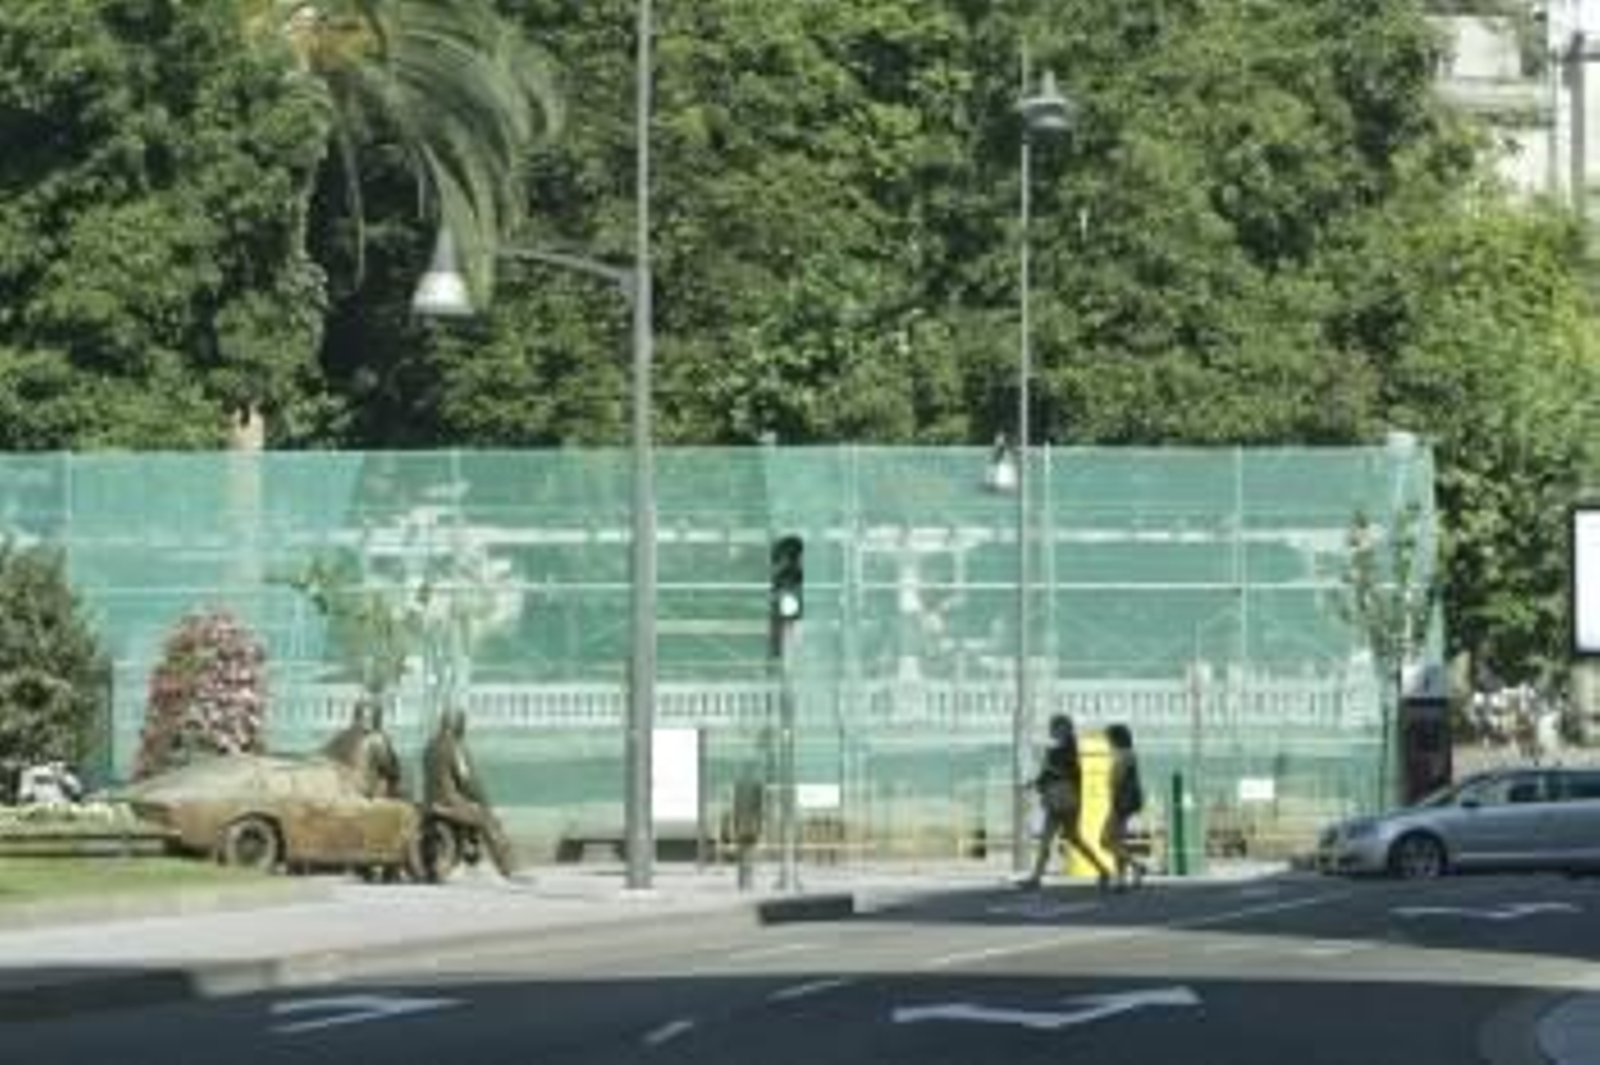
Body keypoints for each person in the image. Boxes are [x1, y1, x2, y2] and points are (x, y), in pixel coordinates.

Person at [1018, 713, 1111, 891]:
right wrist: (1039, 781)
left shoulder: (1062, 750)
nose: (1051, 730)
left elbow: (1055, 773)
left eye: (1054, 727)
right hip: (1067, 800)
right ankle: (1102, 870)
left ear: (1064, 728)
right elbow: (1061, 775)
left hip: (1061, 800)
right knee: (1073, 838)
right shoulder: (1067, 748)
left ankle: (1036, 877)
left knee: (1052, 839)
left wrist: (1041, 778)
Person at [423, 706, 517, 877]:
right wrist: (484, 801)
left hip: (430, 801)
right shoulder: (455, 747)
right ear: (458, 725)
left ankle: (467, 850)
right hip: (449, 802)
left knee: (473, 812)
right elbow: (467, 780)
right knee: (485, 819)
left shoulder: (430, 745)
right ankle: (507, 866)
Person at [1101, 723, 1148, 891]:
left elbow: (1117, 778)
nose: (1107, 741)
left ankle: (1136, 865)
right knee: (1117, 841)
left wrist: (1110, 785)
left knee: (1105, 840)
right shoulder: (1128, 754)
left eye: (1109, 738)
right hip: (1124, 803)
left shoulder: (1124, 754)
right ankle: (1121, 879)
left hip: (1119, 803)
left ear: (1116, 738)